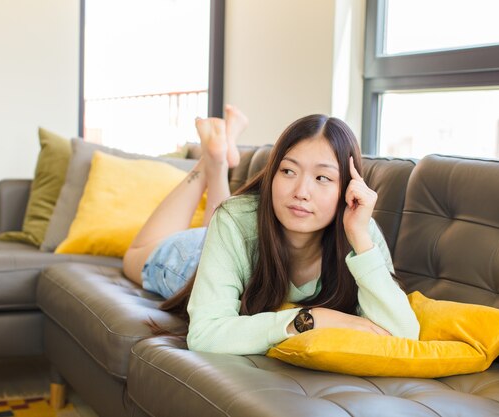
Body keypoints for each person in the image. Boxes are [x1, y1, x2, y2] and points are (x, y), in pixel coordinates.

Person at [123, 107, 420, 356]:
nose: (301, 191)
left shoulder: (359, 226)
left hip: (232, 243)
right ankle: (210, 161)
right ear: (272, 174)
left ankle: (218, 158)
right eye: (288, 171)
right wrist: (309, 319)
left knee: (226, 218)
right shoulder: (236, 219)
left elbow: (404, 336)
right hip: (193, 258)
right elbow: (204, 334)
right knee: (134, 255)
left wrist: (360, 239)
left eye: (322, 177)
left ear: (348, 187)